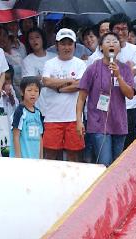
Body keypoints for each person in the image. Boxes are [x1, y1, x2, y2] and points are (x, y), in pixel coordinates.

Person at [77, 32, 135, 167]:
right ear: (101, 47)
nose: (111, 44)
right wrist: (79, 121)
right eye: (107, 41)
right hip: (98, 123)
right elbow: (81, 98)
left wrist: (118, 76)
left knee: (117, 165)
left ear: (119, 48)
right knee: (105, 163)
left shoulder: (125, 69)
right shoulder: (93, 68)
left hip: (119, 123)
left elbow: (130, 94)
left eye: (115, 42)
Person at [87, 14, 136, 149]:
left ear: (129, 32)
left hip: (127, 106)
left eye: (124, 29)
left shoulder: (134, 49)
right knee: (103, 152)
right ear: (111, 30)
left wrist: (118, 73)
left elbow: (131, 74)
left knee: (125, 151)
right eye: (117, 29)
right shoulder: (99, 52)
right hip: (104, 107)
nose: (121, 32)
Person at [41, 28, 86, 162]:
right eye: (63, 44)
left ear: (74, 46)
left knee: (74, 155)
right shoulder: (49, 63)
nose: (66, 47)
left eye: (69, 44)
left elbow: (79, 85)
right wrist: (69, 81)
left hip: (74, 117)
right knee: (50, 154)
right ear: (56, 46)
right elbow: (46, 81)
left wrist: (58, 88)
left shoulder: (80, 64)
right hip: (53, 117)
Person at [10, 77, 44, 159]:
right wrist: (18, 158)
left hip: (35, 158)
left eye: (36, 91)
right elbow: (16, 135)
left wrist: (41, 157)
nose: (33, 93)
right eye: (29, 90)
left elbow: (40, 137)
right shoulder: (20, 111)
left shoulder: (38, 113)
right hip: (23, 158)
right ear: (22, 92)